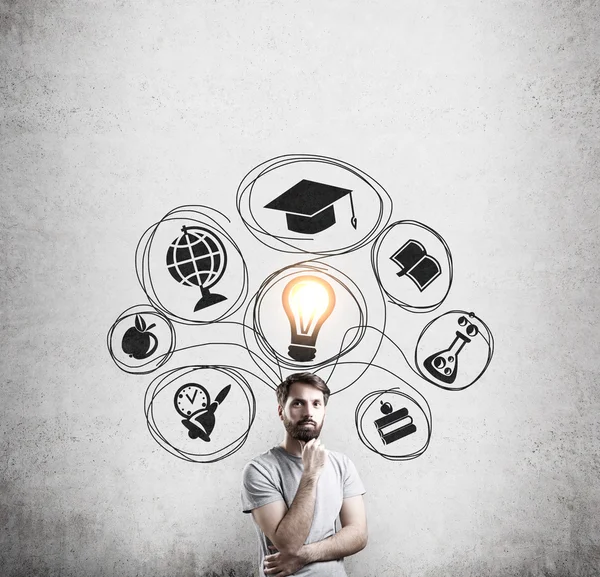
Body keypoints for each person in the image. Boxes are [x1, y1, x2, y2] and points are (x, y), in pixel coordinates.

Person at [241, 372, 367, 576]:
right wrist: (310, 474)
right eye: (298, 403)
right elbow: (288, 544)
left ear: (324, 412)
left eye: (316, 404)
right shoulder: (260, 470)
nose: (309, 412)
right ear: (281, 411)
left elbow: (358, 534)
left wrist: (305, 555)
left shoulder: (342, 465)